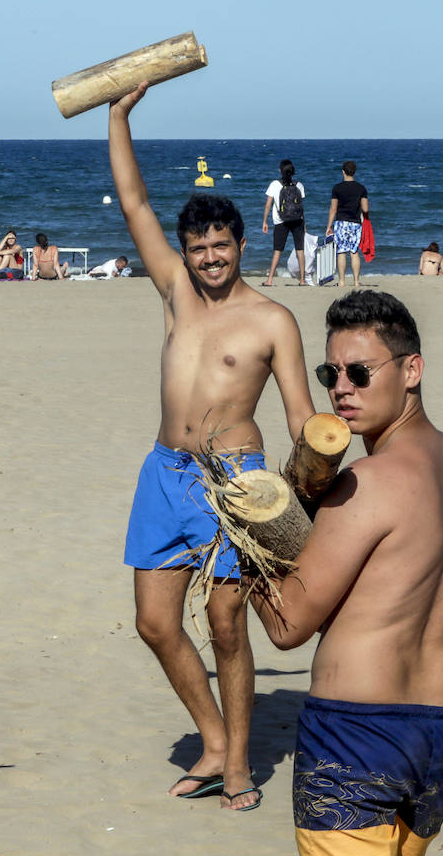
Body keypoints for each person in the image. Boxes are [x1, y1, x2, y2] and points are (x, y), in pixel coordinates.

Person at [249, 290, 443, 856]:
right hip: (440, 733)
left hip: (356, 732)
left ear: (412, 370)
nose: (340, 388)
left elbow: (288, 625)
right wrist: (410, 604)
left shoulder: (364, 484)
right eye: (330, 374)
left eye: (358, 372)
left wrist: (246, 546)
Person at [109, 81, 315, 812]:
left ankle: (237, 766)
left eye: (219, 246)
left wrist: (310, 484)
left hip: (237, 482)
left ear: (241, 244)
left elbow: (302, 418)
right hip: (164, 472)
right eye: (197, 248)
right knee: (155, 623)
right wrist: (119, 115)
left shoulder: (273, 321)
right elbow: (134, 204)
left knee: (228, 624)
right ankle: (215, 737)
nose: (207, 258)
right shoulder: (174, 292)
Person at [263, 159, 307, 287]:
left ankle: (270, 280)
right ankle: (302, 280)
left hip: (280, 221)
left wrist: (265, 221)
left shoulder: (274, 184)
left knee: (277, 250)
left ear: (280, 170)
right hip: (297, 220)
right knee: (300, 250)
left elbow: (267, 205)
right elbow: (301, 207)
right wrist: (304, 224)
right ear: (293, 171)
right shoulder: (299, 185)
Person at [325, 161, 370, 288]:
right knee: (354, 252)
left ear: (343, 172)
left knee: (341, 252)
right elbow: (365, 209)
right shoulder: (361, 188)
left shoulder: (337, 188)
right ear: (354, 172)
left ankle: (342, 282)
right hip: (355, 223)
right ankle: (356, 282)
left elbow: (333, 209)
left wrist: (329, 226)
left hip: (341, 223)